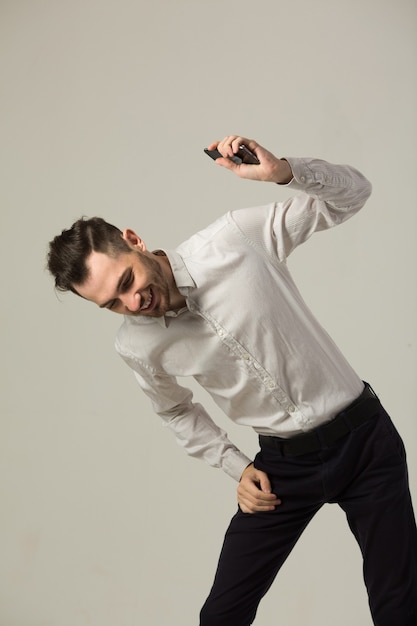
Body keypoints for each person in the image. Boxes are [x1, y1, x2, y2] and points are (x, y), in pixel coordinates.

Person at [47, 135, 417, 625]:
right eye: (112, 304)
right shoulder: (137, 345)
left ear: (134, 241)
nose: (131, 303)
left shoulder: (234, 239)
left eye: (126, 283)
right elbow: (175, 409)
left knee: (399, 608)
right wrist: (235, 466)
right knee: (222, 616)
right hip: (283, 467)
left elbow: (353, 194)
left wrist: (285, 171)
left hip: (365, 440)